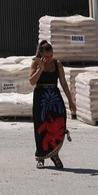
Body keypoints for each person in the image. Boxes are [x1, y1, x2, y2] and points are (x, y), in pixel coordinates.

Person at [28, 39, 74, 169]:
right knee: (41, 128)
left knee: (57, 126)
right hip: (41, 99)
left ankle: (54, 154)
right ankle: (40, 157)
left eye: (51, 56)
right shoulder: (35, 63)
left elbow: (63, 83)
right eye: (46, 56)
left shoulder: (57, 64)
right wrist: (40, 69)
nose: (48, 59)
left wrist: (70, 101)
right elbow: (32, 81)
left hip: (54, 98)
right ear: (41, 54)